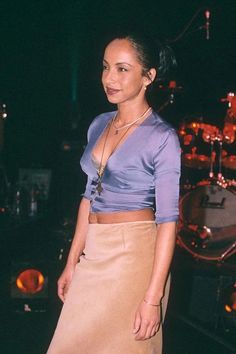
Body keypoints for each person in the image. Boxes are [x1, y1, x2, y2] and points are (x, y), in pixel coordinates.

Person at [47, 31, 181, 354]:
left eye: (122, 69)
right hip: (95, 249)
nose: (109, 78)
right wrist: (72, 260)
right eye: (106, 67)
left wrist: (153, 297)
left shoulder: (162, 138)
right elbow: (87, 197)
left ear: (148, 76)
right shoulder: (99, 124)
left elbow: (168, 222)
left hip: (134, 254)